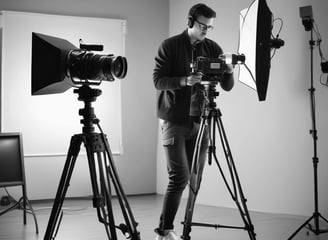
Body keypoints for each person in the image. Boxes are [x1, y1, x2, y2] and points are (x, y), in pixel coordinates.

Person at [153, 3, 234, 240]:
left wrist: (228, 70)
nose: (206, 31)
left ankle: (184, 229)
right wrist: (185, 81)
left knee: (195, 179)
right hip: (173, 120)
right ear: (190, 21)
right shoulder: (170, 45)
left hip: (201, 122)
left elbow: (227, 86)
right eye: (202, 26)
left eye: (210, 27)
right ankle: (164, 232)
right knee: (179, 177)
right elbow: (158, 81)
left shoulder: (212, 48)